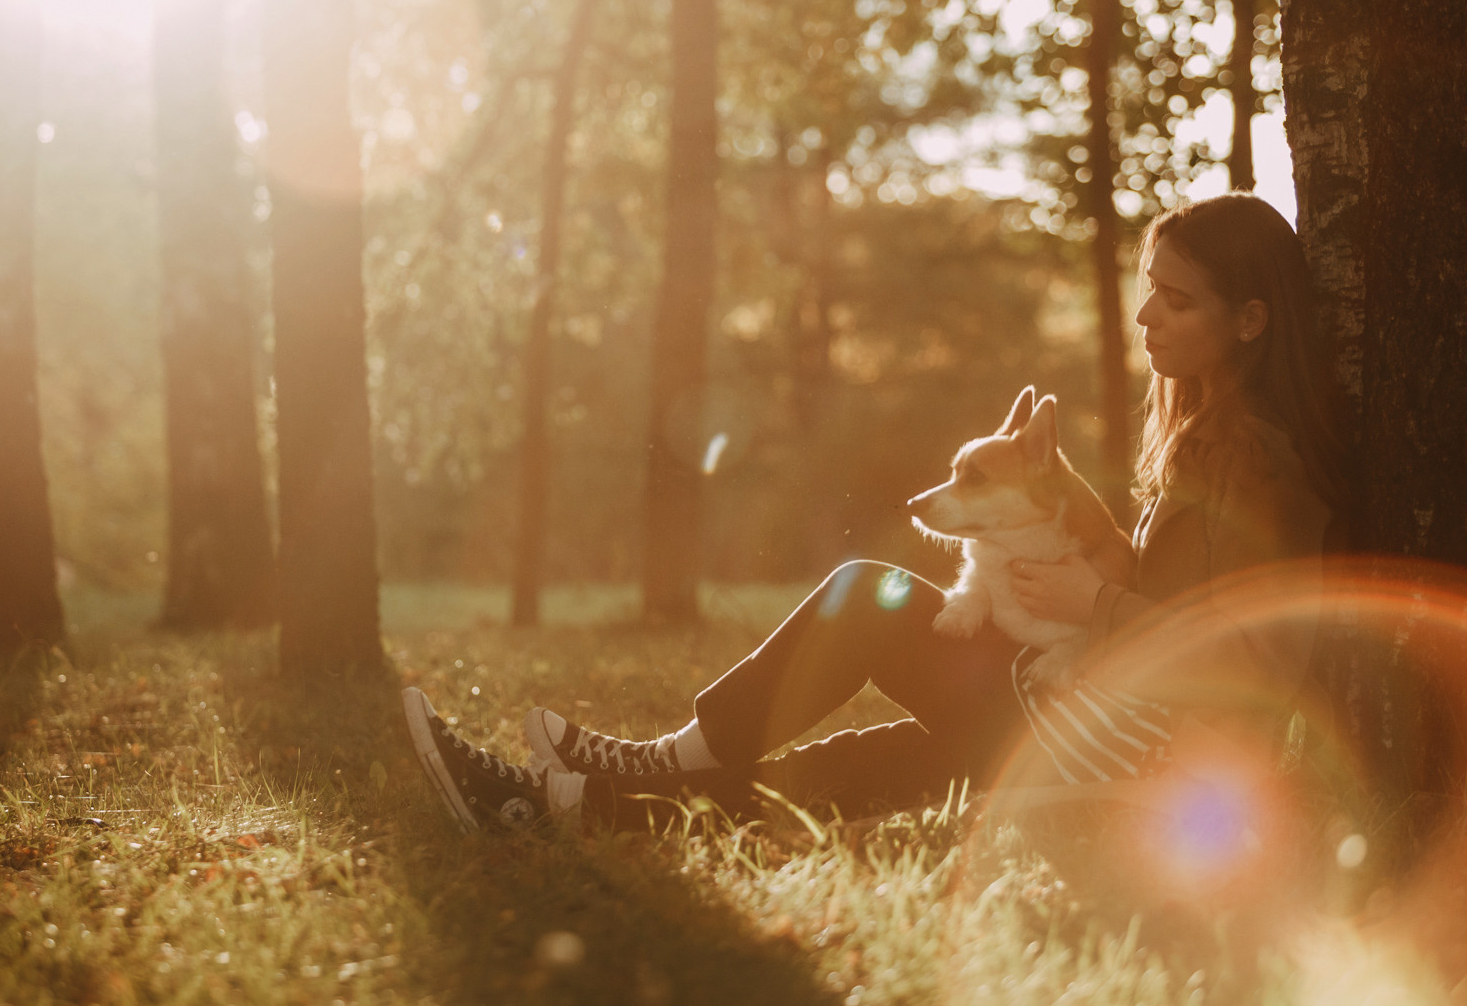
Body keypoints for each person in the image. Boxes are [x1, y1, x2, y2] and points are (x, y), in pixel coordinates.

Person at [403, 193, 1343, 831]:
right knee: (846, 773)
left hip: (1122, 755)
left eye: (1177, 301)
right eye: (1147, 295)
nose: (1147, 318)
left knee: (868, 598)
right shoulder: (1200, 441)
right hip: (1080, 718)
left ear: (1252, 319)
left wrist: (1091, 605)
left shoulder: (1265, 472)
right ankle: (555, 801)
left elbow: (1260, 661)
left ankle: (647, 763)